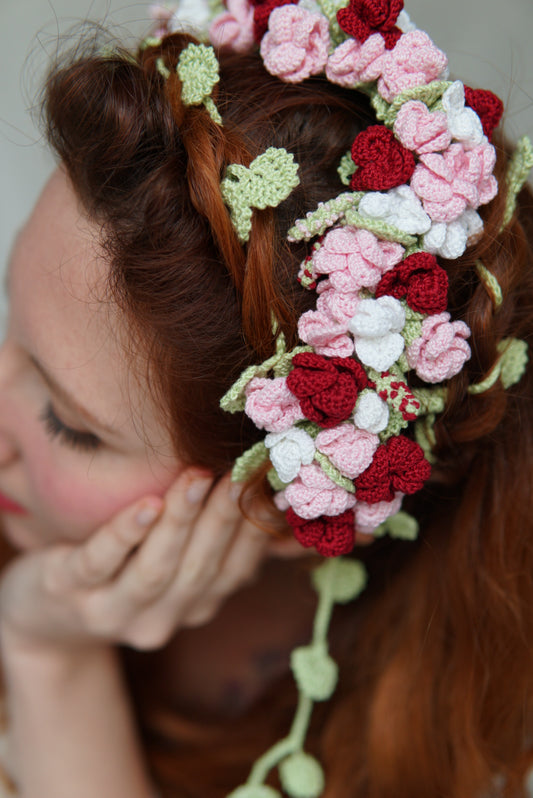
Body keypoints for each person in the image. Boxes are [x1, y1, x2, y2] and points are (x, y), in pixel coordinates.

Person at [0, 1, 532, 796]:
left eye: (68, 426)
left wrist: (48, 653)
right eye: (12, 328)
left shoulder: (444, 752)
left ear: (283, 509)